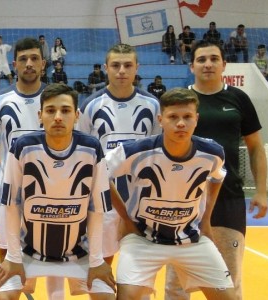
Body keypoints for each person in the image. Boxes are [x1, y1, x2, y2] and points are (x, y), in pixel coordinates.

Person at [106, 88, 236, 300]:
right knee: (127, 297)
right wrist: (126, 219)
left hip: (191, 239)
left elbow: (217, 177)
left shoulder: (213, 153)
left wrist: (206, 221)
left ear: (197, 119)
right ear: (161, 119)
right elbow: (99, 175)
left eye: (187, 116)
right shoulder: (135, 151)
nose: (181, 123)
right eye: (173, 117)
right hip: (143, 238)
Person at [165, 40, 268, 300]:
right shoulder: (179, 101)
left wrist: (262, 192)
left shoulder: (238, 99)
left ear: (224, 64)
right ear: (191, 66)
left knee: (229, 277)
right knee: (177, 281)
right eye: (201, 59)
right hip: (182, 199)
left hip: (228, 197)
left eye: (213, 59)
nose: (208, 64)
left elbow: (256, 147)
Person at [0, 83, 115, 300]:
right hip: (28, 251)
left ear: (77, 115)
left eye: (65, 110)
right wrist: (13, 257)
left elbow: (97, 210)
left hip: (80, 253)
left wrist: (97, 261)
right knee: (3, 297)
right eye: (51, 111)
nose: (58, 117)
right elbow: (12, 204)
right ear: (40, 115)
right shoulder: (22, 147)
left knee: (107, 296)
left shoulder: (92, 148)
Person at [0, 37, 66, 300]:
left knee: (57, 253)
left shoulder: (58, 99)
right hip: (12, 194)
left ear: (43, 64)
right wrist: (9, 164)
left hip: (55, 191)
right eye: (23, 59)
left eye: (34, 59)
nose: (29, 64)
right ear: (14, 64)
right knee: (7, 251)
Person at [77, 43, 161, 269]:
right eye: (115, 65)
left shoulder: (153, 105)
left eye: (127, 65)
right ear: (106, 68)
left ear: (137, 68)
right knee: (103, 261)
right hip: (103, 198)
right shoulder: (91, 106)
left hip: (141, 197)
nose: (121, 70)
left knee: (140, 261)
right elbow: (82, 154)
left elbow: (158, 153)